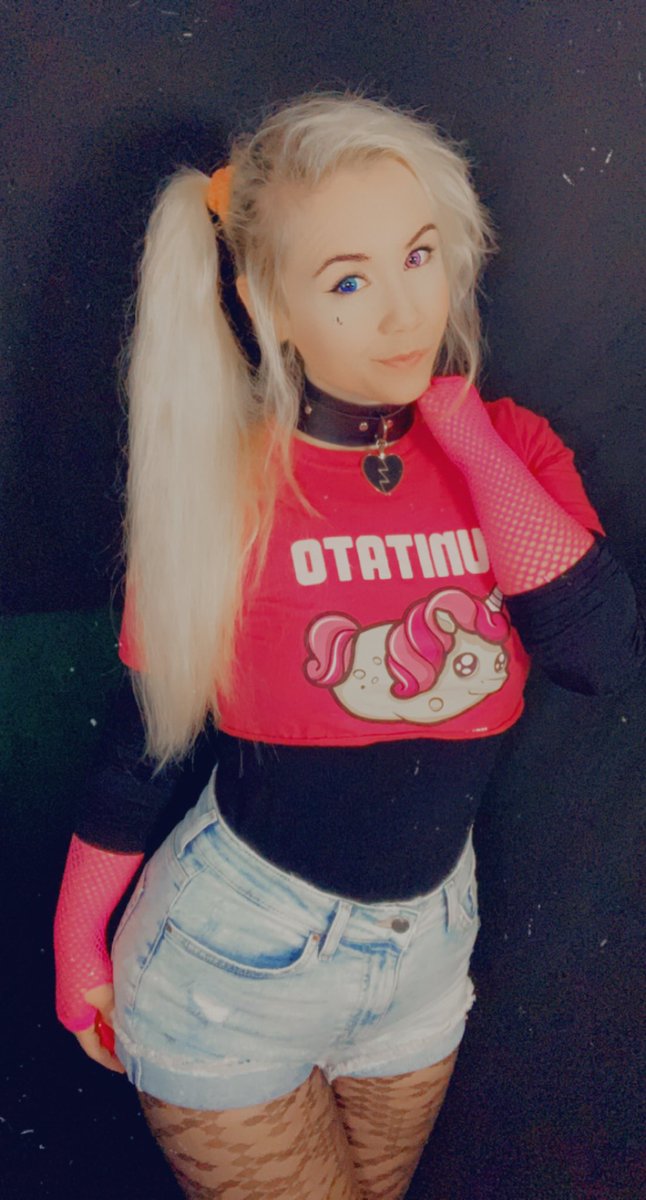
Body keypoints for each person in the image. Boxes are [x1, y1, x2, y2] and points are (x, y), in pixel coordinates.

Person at [53, 91, 644, 1200]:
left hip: (427, 965)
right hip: (234, 967)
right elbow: (142, 749)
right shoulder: (221, 490)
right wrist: (75, 941)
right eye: (347, 281)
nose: (403, 311)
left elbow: (598, 655)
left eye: (417, 256)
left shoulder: (511, 448)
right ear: (268, 303)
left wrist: (462, 434)